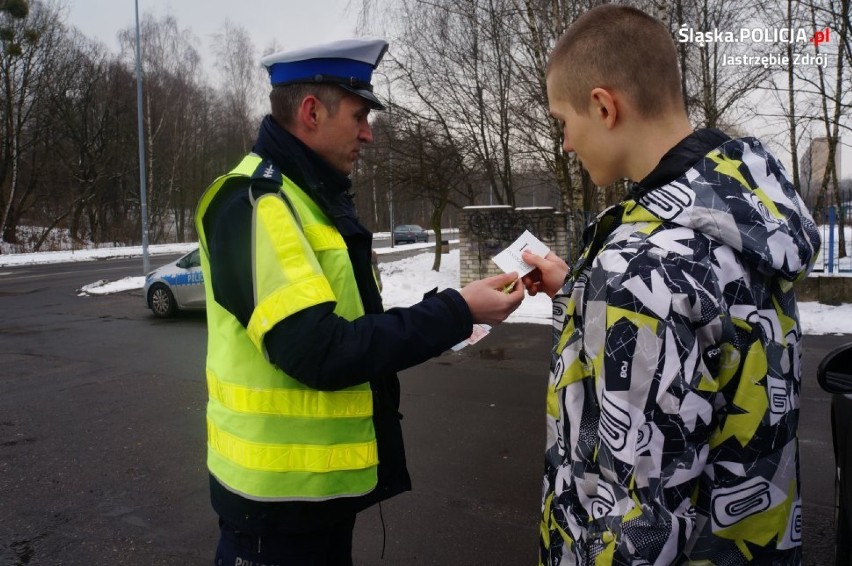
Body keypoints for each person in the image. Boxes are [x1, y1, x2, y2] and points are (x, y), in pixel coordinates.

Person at [193, 38, 524, 565]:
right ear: (310, 112)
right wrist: (458, 312)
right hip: (276, 509)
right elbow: (319, 350)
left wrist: (457, 308)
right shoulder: (257, 203)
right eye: (359, 115)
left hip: (313, 499)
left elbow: (352, 326)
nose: (368, 133)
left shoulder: (309, 200)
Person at [521, 5, 821, 564]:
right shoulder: (739, 222)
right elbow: (712, 343)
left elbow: (634, 509)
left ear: (604, 106)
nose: (565, 143)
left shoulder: (639, 272)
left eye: (564, 121)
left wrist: (609, 293)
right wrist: (580, 292)